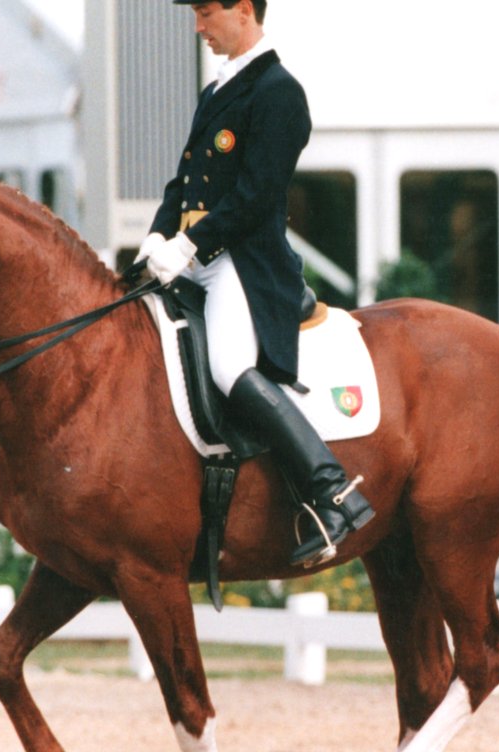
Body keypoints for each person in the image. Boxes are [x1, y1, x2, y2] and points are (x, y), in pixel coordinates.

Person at [137, 0, 373, 568]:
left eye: (206, 13)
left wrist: (191, 244)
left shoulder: (279, 92)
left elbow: (257, 195)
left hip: (244, 264)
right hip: (195, 259)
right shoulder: (218, 89)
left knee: (227, 367)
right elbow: (185, 180)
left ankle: (332, 492)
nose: (198, 27)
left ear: (244, 10)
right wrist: (156, 236)